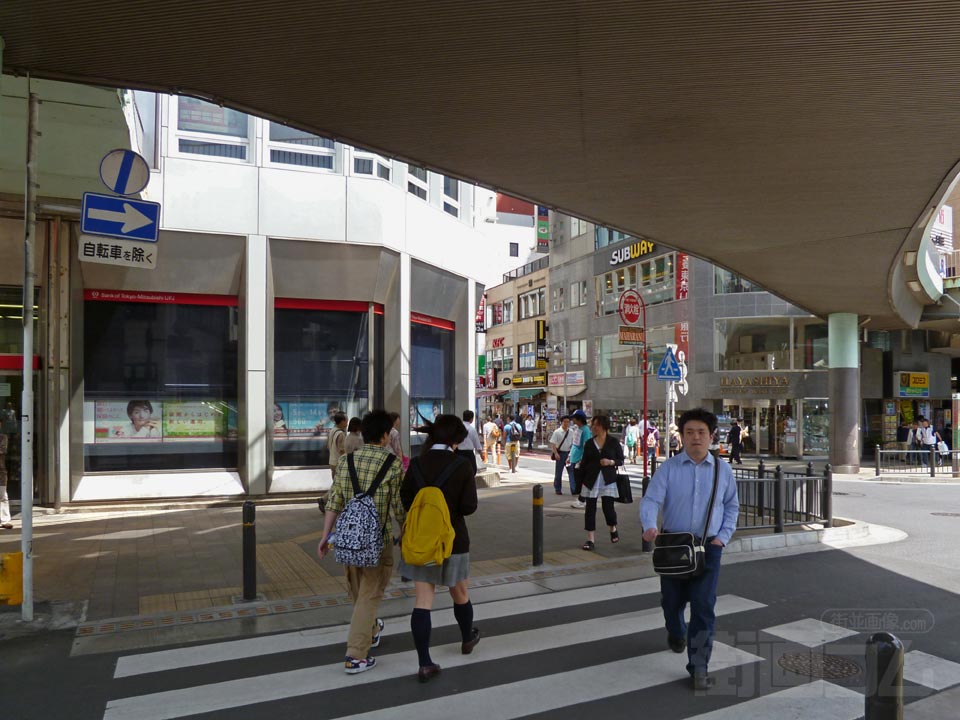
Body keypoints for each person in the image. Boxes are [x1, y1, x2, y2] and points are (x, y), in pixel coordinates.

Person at [640, 408, 740, 692]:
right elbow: (650, 500)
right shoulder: (669, 468)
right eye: (689, 432)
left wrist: (723, 536)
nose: (695, 437)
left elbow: (732, 505)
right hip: (674, 545)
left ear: (711, 436)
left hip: (709, 547)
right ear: (681, 436)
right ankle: (675, 630)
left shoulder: (724, 470)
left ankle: (699, 666)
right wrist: (649, 525)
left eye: (701, 432)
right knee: (671, 602)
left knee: (704, 606)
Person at [318, 410, 406, 675]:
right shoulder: (392, 464)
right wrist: (406, 532)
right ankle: (356, 655)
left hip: (348, 538)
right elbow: (398, 507)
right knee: (369, 594)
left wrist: (325, 536)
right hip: (377, 541)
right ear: (384, 435)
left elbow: (334, 501)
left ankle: (371, 629)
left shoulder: (347, 462)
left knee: (359, 593)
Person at [398, 414, 480, 682]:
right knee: (460, 593)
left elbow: (407, 500)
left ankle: (424, 663)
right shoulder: (462, 465)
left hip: (422, 540)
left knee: (422, 602)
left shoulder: (418, 464)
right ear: (456, 438)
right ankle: (467, 638)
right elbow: (469, 506)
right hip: (454, 540)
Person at [578, 415, 624, 551]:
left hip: (608, 479)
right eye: (593, 425)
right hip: (591, 480)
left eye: (596, 425)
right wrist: (580, 483)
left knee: (608, 508)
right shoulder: (589, 443)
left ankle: (613, 527)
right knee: (590, 509)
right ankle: (590, 539)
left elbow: (620, 460)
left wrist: (610, 462)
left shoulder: (613, 442)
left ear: (604, 426)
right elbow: (584, 463)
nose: (594, 427)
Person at [567, 409, 592, 509]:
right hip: (574, 457)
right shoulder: (577, 428)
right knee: (577, 479)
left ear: (579, 419)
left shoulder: (585, 430)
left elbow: (586, 445)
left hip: (579, 459)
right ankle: (581, 499)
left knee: (581, 480)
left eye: (574, 418)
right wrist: (570, 455)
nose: (572, 420)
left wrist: (582, 459)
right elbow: (574, 443)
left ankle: (583, 500)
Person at [549, 415, 574, 495]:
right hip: (560, 454)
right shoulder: (557, 432)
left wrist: (571, 454)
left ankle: (573, 489)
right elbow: (553, 443)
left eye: (568, 422)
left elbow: (573, 443)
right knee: (558, 473)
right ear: (561, 422)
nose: (566, 423)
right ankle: (558, 489)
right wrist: (556, 453)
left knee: (571, 473)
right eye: (565, 422)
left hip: (568, 454)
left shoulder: (571, 432)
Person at [458, 410, 483, 474]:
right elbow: (477, 444)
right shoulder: (472, 429)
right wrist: (481, 454)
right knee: (471, 471)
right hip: (469, 454)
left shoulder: (458, 428)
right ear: (471, 419)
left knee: (459, 471)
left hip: (458, 453)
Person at [327, 412, 348, 478]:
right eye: (346, 421)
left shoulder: (332, 430)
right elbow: (342, 451)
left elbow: (327, 446)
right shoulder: (340, 434)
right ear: (342, 421)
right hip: (338, 463)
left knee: (335, 482)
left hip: (332, 461)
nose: (347, 423)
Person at [0, 432, 12, 529]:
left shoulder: (3, 437)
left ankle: (5, 520)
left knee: (3, 496)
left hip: (0, 472)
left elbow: (2, 450)